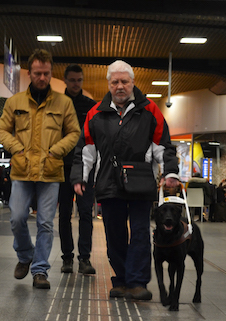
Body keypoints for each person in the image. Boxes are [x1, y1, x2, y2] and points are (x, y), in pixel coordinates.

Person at [71, 60, 179, 300]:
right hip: (109, 183)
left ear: (132, 83)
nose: (120, 86)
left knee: (140, 232)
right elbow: (86, 150)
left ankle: (137, 282)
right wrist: (80, 177)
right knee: (114, 234)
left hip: (140, 182)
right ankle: (120, 280)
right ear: (109, 84)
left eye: (124, 82)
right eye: (115, 82)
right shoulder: (95, 113)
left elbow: (163, 146)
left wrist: (170, 173)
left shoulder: (150, 110)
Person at [0, 49, 81, 289]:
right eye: (37, 73)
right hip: (22, 170)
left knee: (45, 223)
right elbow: (0, 130)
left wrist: (56, 151)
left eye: (46, 73)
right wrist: (17, 149)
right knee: (17, 218)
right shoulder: (15, 102)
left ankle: (40, 270)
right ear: (29, 73)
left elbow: (74, 132)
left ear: (51, 73)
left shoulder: (64, 103)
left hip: (51, 172)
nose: (42, 78)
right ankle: (25, 255)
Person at [58, 64, 98, 274]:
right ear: (65, 80)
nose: (76, 84)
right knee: (64, 213)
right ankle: (67, 257)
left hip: (85, 167)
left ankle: (84, 258)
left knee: (85, 213)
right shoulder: (56, 104)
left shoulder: (91, 107)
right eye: (72, 80)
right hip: (62, 166)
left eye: (79, 80)